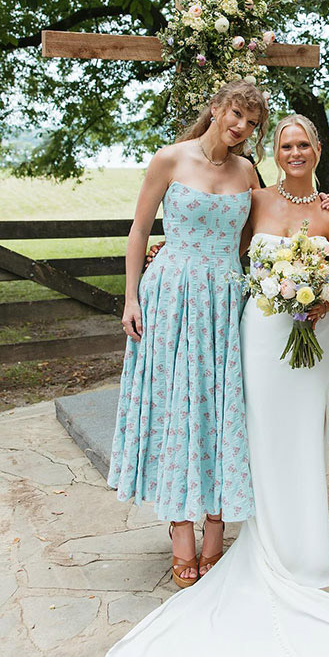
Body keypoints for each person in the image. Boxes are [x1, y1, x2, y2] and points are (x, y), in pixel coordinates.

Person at [106, 113, 329, 657]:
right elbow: (225, 248)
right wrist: (163, 271)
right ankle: (237, 538)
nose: (294, 152)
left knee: (307, 439)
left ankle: (305, 553)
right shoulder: (255, 197)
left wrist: (323, 299)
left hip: (314, 335)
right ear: (276, 149)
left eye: (303, 143)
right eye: (285, 143)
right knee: (255, 435)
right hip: (259, 335)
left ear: (316, 149)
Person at [108, 80, 268, 589]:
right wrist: (131, 297)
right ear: (216, 107)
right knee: (177, 408)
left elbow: (261, 231)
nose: (241, 126)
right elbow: (138, 230)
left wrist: (320, 206)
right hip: (172, 296)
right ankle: (181, 534)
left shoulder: (247, 171)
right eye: (236, 113)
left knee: (222, 410)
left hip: (225, 301)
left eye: (251, 121)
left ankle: (216, 532)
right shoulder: (170, 160)